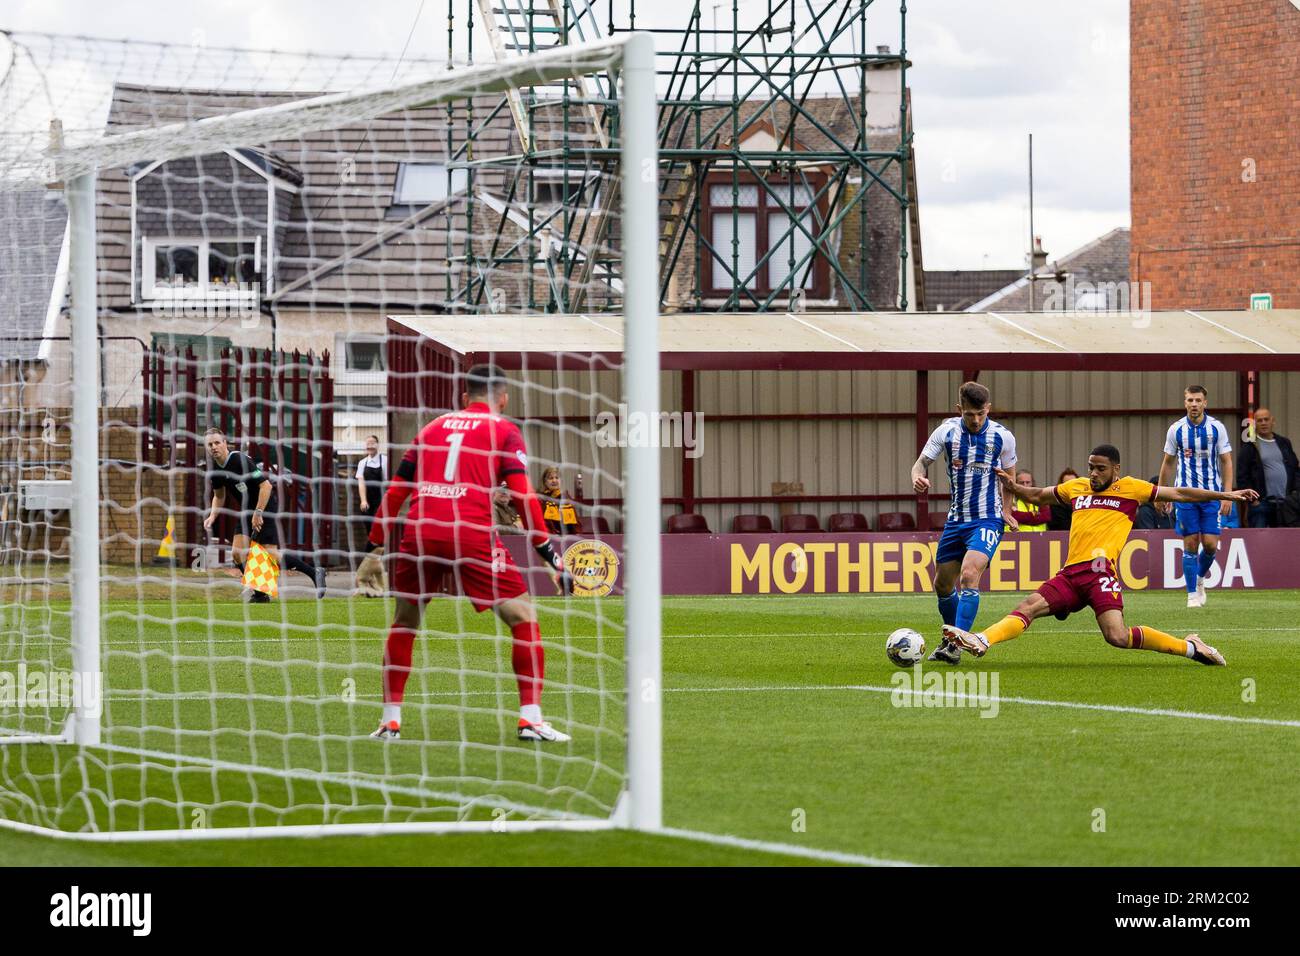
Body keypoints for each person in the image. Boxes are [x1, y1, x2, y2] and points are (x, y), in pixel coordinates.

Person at [356, 364, 575, 743]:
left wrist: (374, 548)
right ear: (502, 398)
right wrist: (548, 554)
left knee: (404, 622)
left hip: (420, 533)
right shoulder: (504, 430)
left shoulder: (430, 429)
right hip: (469, 534)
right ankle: (531, 719)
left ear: (463, 398)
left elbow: (395, 492)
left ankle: (390, 721)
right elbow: (523, 496)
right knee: (523, 617)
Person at [941, 444, 1257, 666]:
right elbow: (1037, 496)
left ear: (1115, 470)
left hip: (1100, 572)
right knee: (1028, 606)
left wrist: (1226, 494)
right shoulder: (1077, 488)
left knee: (1117, 637)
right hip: (1071, 573)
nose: (1093, 473)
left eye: (1100, 468)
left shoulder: (1131, 489)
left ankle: (1191, 648)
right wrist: (1013, 487)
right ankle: (981, 640)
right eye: (1091, 467)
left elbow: (1182, 492)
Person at [910, 381, 1018, 664]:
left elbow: (1010, 477)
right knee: (943, 585)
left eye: (981, 414)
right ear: (959, 409)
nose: (976, 420)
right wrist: (917, 477)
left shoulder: (1002, 437)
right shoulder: (946, 432)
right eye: (970, 414)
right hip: (956, 521)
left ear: (988, 409)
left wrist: (1007, 509)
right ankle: (951, 642)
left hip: (988, 519)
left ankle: (956, 644)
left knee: (970, 574)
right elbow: (920, 463)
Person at [202, 428, 326, 601]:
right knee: (238, 553)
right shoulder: (215, 470)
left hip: (265, 506)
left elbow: (266, 486)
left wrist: (258, 512)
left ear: (225, 443)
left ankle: (314, 572)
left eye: (217, 442)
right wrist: (213, 515)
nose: (214, 447)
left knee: (270, 554)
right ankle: (261, 594)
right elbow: (219, 496)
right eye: (210, 444)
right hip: (247, 511)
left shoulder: (240, 460)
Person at [1157, 385, 1234, 608]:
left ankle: (1200, 579)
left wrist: (1227, 495)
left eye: (1198, 400)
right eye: (1190, 400)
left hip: (1211, 495)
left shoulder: (1217, 428)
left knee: (1210, 545)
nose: (1194, 404)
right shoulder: (1176, 430)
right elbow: (1167, 464)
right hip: (1185, 496)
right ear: (1185, 402)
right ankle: (1191, 595)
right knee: (1190, 542)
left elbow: (1227, 461)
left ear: (1205, 403)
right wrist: (1162, 493)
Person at [1236, 408, 1298, 528]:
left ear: (1272, 421)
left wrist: (1295, 494)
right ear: (1254, 424)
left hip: (1286, 504)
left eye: (1266, 419)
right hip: (1261, 504)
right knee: (1258, 543)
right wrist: (1253, 501)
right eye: (1259, 420)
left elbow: (1295, 469)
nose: (1263, 423)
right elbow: (1242, 476)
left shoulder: (1284, 443)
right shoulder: (1250, 446)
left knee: (1285, 541)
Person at [355, 435, 388, 535]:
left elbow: (387, 481)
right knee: (368, 525)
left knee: (378, 525)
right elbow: (361, 483)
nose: (370, 446)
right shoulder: (362, 463)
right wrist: (363, 500)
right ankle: (373, 547)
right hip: (368, 499)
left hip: (381, 498)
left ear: (378, 445)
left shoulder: (385, 460)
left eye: (373, 443)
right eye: (368, 444)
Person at [538, 466, 580, 536]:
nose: (554, 481)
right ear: (545, 482)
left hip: (566, 536)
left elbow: (574, 522)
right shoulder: (540, 498)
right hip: (546, 536)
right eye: (551, 478)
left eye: (557, 478)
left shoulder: (566, 498)